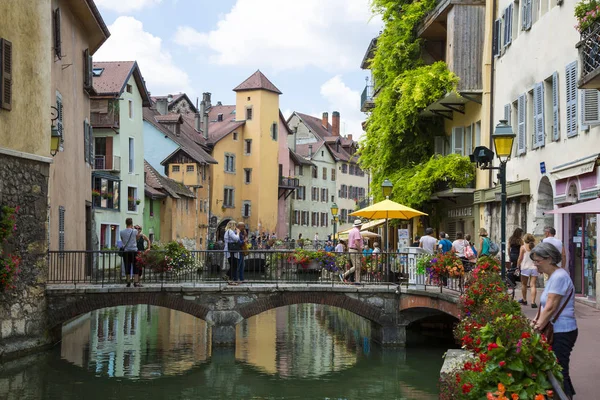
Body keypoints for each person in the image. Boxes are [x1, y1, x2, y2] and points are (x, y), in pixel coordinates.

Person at [531, 242, 577, 399]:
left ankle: (565, 396)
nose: (535, 264)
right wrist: (535, 321)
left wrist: (536, 329)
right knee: (558, 367)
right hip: (557, 329)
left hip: (562, 330)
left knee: (559, 368)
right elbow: (544, 307)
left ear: (549, 259)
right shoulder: (553, 276)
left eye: (538, 260)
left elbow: (550, 308)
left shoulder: (559, 277)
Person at [517, 233, 538, 307]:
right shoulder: (535, 247)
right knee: (533, 285)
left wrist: (517, 266)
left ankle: (524, 300)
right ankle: (533, 302)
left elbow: (520, 258)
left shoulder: (523, 247)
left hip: (525, 268)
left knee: (524, 284)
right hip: (534, 268)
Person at [120, 218, 139, 287]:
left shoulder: (121, 232)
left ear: (126, 223)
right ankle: (136, 282)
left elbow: (122, 240)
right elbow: (137, 239)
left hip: (126, 251)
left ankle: (128, 281)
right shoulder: (135, 231)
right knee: (135, 266)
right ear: (131, 223)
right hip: (134, 250)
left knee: (127, 266)